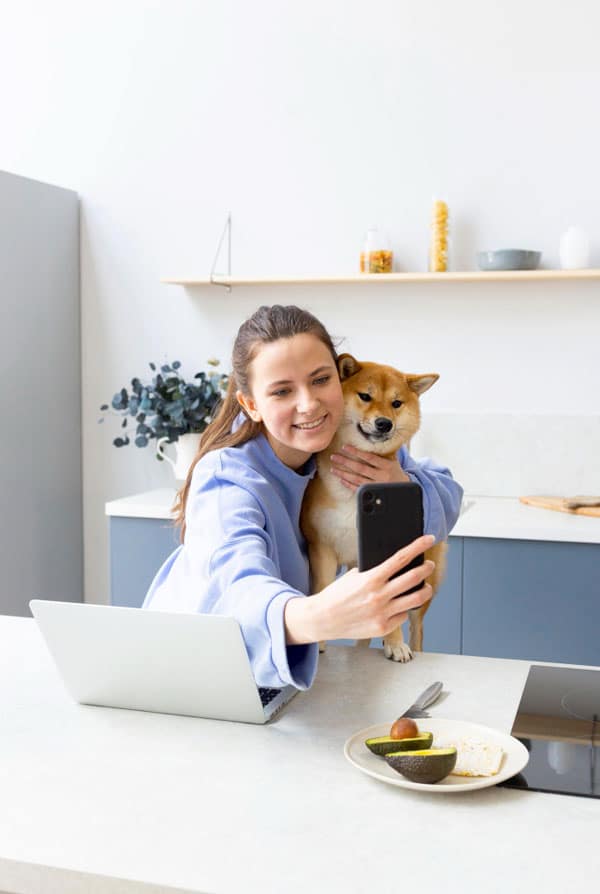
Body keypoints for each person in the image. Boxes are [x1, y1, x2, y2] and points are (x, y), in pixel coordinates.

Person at [143, 305, 463, 690]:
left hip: (270, 678)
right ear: (251, 405)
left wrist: (401, 481)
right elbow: (239, 585)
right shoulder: (228, 479)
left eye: (320, 380)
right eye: (281, 391)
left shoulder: (350, 442)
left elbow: (447, 494)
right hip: (188, 672)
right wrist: (318, 617)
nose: (309, 404)